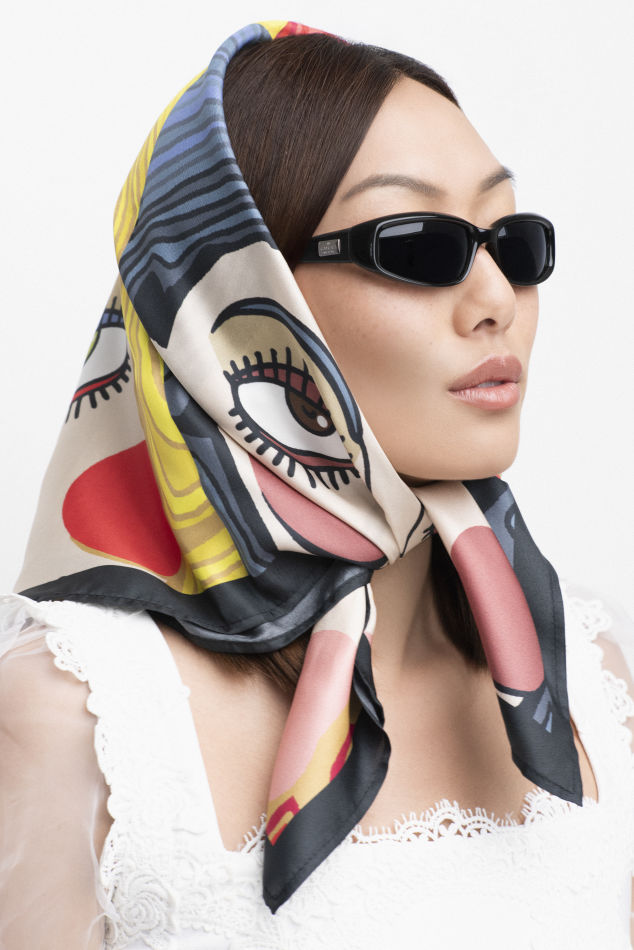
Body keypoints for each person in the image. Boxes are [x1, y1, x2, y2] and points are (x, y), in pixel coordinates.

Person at [1, 19, 633, 949]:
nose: (498, 297)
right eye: (418, 245)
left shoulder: (592, 678)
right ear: (232, 308)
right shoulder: (76, 719)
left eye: (514, 241)